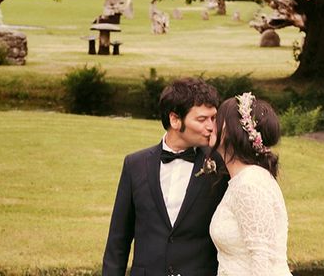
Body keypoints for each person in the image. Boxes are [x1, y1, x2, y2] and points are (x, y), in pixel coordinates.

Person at [102, 77, 227, 276]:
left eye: (214, 118)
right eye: (202, 119)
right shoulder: (135, 165)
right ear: (175, 120)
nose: (211, 126)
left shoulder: (220, 165)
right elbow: (119, 239)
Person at [208, 92, 293, 275]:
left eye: (217, 118)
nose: (211, 124)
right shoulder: (242, 181)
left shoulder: (250, 184)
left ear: (232, 130)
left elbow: (262, 261)